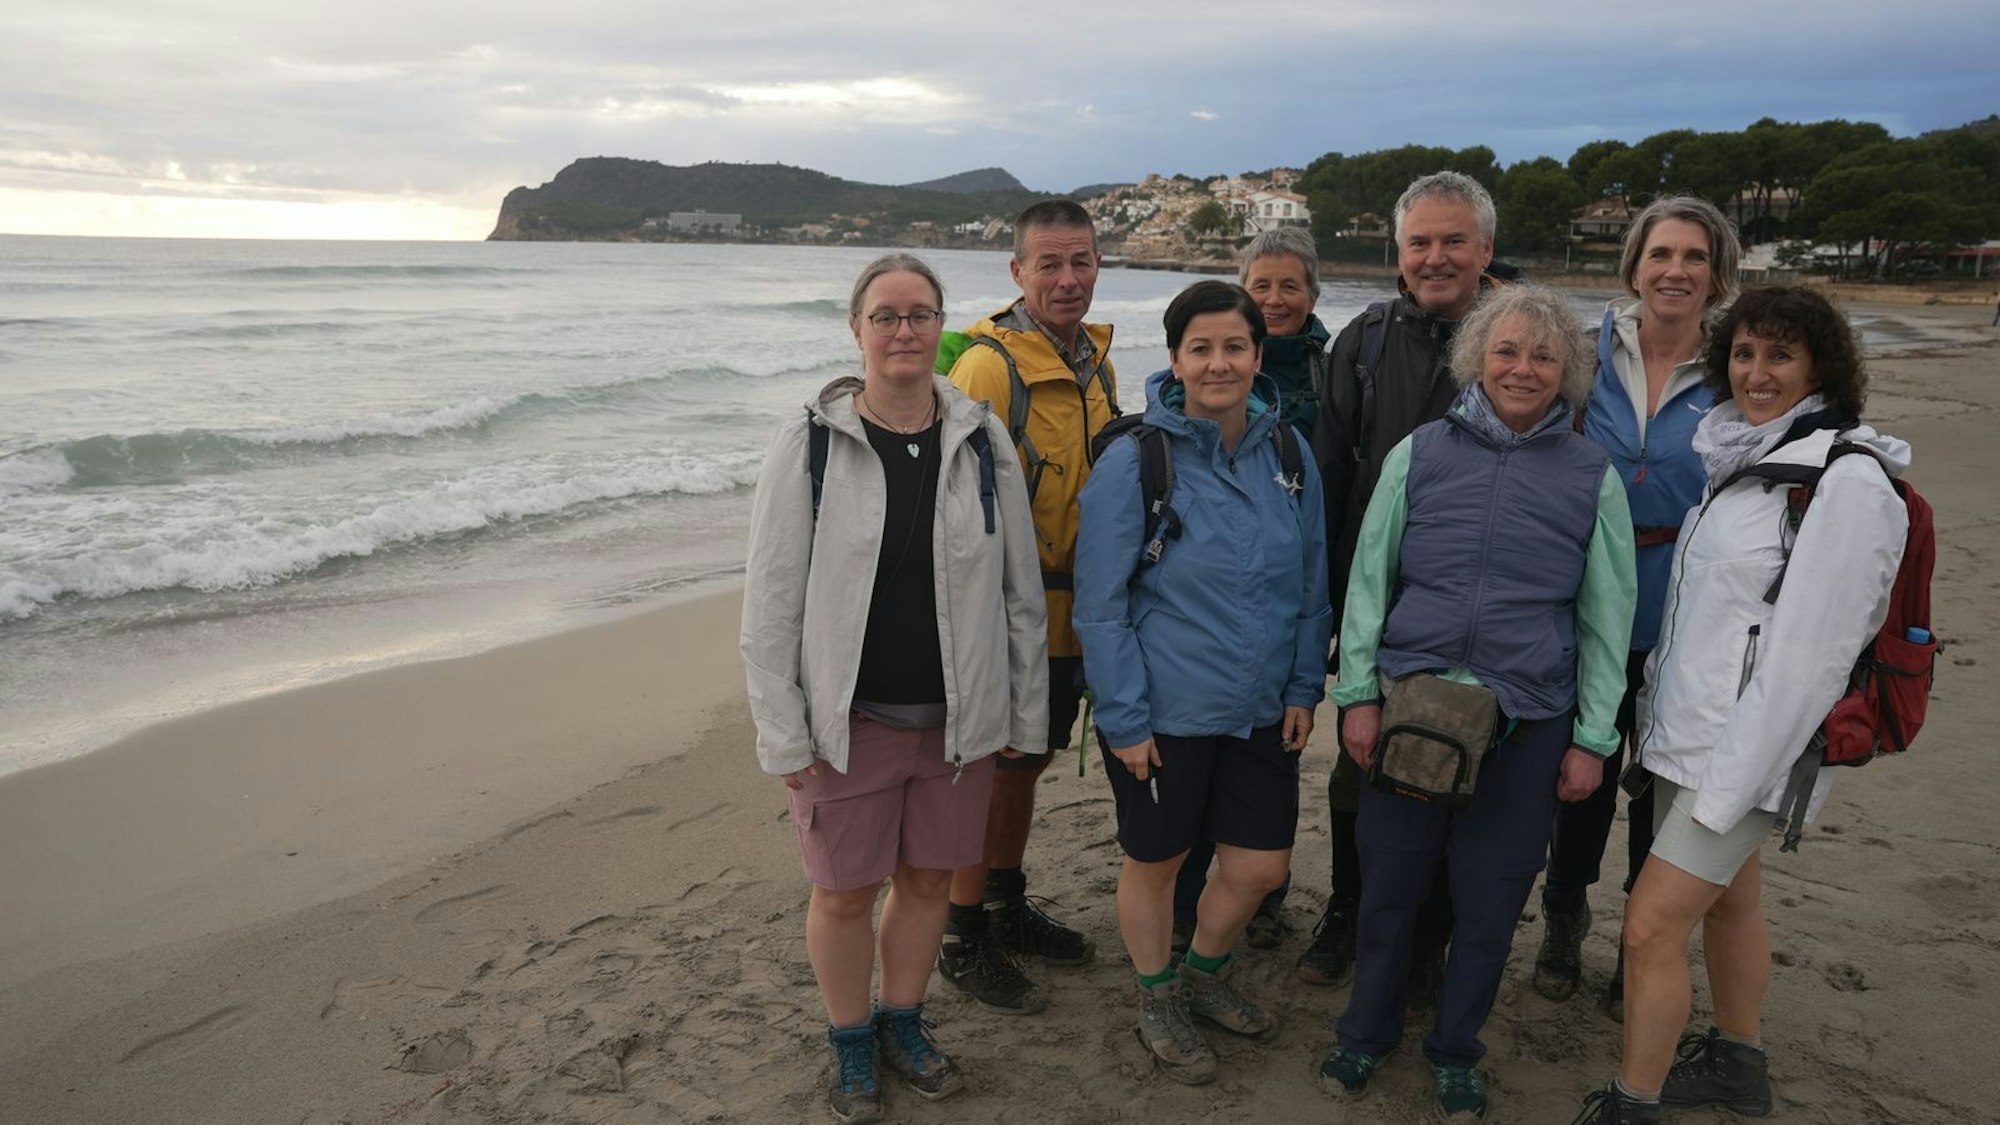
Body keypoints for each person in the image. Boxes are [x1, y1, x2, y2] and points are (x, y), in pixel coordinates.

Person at [1574, 286, 1908, 1123]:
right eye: (1745, 353)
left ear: (1820, 367)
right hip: (1690, 740)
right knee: (1733, 903)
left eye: (1781, 356)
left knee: (1649, 930)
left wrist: (1732, 788)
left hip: (1748, 757)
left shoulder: (1846, 481)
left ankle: (1634, 1101)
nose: (1757, 373)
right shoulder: (1746, 457)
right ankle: (1737, 1059)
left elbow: (1808, 663)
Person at [741, 254, 1049, 1123]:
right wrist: (785, 735)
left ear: (940, 327)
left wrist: (1024, 714)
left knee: (925, 884)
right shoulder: (810, 447)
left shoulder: (984, 441)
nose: (904, 331)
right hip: (853, 723)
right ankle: (850, 1040)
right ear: (857, 330)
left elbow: (1020, 595)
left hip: (959, 727)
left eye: (919, 315)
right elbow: (768, 607)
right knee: (842, 892)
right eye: (886, 315)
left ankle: (903, 1020)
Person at [1318, 284, 1637, 1122]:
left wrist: (1593, 737)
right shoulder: (1420, 451)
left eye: (1543, 355)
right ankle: (1364, 1032)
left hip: (1529, 721)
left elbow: (1608, 617)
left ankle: (1457, 1047)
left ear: (1567, 369)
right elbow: (1368, 583)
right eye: (1507, 350)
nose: (1523, 367)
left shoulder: (1592, 473)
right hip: (1411, 710)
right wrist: (1357, 696)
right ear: (1477, 359)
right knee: (1391, 884)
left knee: (1492, 900)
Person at [1073, 280, 1331, 1083]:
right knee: (1158, 859)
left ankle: (1204, 974)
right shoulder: (1135, 461)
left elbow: (1312, 580)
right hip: (1166, 710)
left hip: (1259, 708)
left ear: (1259, 356)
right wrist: (1123, 719)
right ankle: (1157, 995)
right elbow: (1101, 605)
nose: (1219, 363)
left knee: (1260, 865)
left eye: (1236, 347)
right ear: (1176, 359)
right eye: (1201, 348)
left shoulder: (1289, 454)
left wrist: (1301, 687)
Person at [1534, 196, 1744, 1017]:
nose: (1676, 270)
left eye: (1695, 256)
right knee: (1577, 778)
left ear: (1717, 275)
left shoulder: (1737, 368)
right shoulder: (1583, 352)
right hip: (1587, 603)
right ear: (1634, 265)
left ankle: (1643, 943)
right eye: (1662, 253)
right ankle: (1561, 917)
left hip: (1690, 615)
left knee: (1662, 790)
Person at [1299, 170, 1507, 992]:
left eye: (1454, 240)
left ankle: (1432, 936)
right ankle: (1349, 909)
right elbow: (1328, 473)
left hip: (1478, 611)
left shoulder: (1520, 344)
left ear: (1486, 248)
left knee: (1461, 769)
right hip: (1374, 601)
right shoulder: (1366, 340)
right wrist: (1328, 602)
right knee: (1362, 766)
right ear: (1398, 249)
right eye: (1420, 241)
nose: (1435, 257)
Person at [939, 199, 1116, 1013]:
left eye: (1080, 261)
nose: (1068, 278)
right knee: (993, 768)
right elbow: (957, 510)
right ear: (1017, 271)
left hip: (1076, 617)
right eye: (1049, 263)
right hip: (1011, 620)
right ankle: (960, 931)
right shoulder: (988, 367)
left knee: (1027, 764)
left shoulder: (1095, 363)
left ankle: (1005, 902)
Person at [1170, 226, 1329, 950]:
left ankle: (1253, 902)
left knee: (1262, 790)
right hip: (1209, 606)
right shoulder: (1206, 374)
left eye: (1288, 284)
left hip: (1296, 557)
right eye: (1260, 285)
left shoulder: (1338, 367)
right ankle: (1187, 918)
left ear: (1312, 293)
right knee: (1189, 803)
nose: (1274, 297)